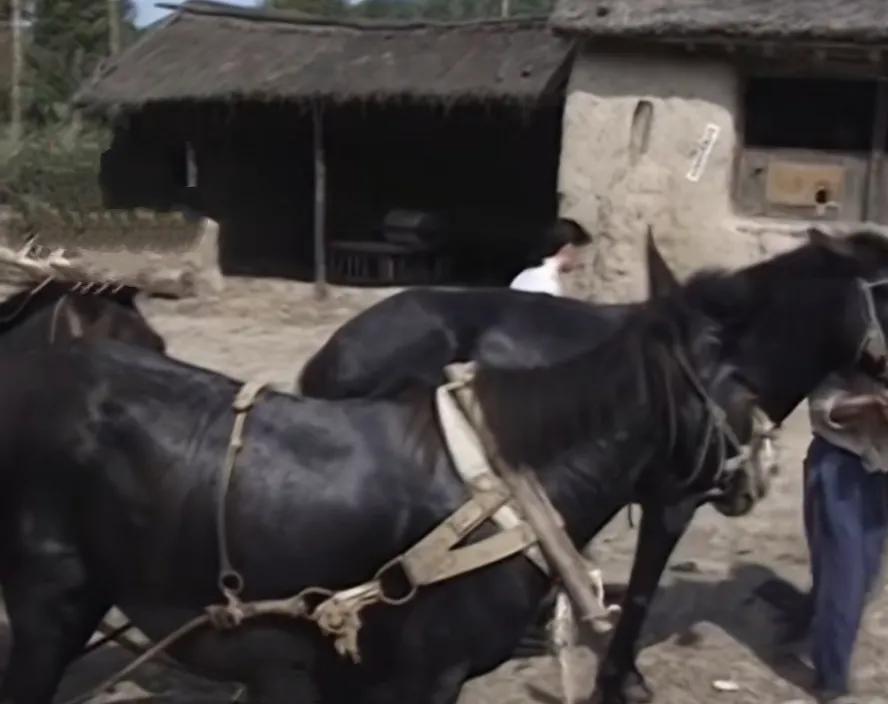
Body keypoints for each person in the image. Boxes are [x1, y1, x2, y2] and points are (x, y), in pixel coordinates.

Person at [802, 370, 888, 700]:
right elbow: (822, 407)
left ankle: (819, 630)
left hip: (880, 470)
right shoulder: (848, 337)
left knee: (866, 575)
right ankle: (830, 679)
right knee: (845, 577)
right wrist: (869, 406)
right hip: (841, 465)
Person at [509, 218, 593, 296]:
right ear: (567, 249)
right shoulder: (549, 286)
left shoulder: (522, 277)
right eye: (581, 252)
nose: (582, 261)